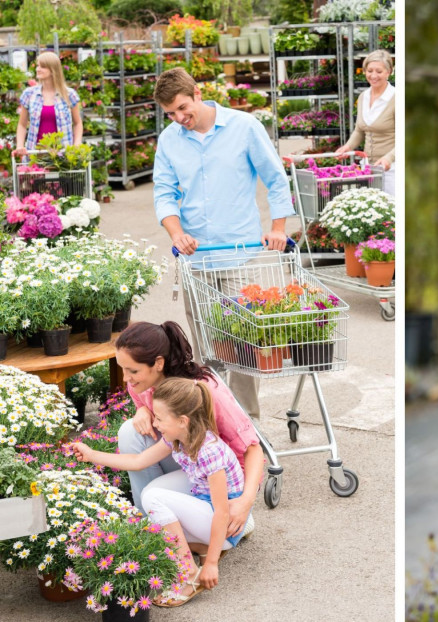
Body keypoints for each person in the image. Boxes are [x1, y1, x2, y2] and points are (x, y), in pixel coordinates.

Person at [152, 67, 295, 420]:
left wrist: (277, 227)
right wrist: (176, 233)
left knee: (243, 342)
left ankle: (249, 424)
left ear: (197, 93)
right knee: (203, 347)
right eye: (170, 113)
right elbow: (164, 193)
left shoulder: (243, 127)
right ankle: (213, 421)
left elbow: (276, 180)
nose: (180, 118)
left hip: (239, 254)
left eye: (183, 108)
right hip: (196, 260)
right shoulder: (170, 139)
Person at [72, 377, 245, 607]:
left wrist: (211, 563)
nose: (156, 422)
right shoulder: (178, 437)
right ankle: (200, 547)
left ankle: (189, 572)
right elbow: (139, 460)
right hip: (205, 506)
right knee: (152, 497)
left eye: (160, 418)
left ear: (183, 421)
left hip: (227, 526)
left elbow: (223, 512)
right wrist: (92, 455)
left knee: (153, 499)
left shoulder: (209, 451)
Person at [115, 321, 264, 541]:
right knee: (130, 432)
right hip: (192, 464)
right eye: (122, 369)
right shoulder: (139, 384)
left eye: (133, 370)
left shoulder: (204, 391)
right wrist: (142, 411)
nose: (126, 378)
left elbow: (253, 449)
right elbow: (147, 411)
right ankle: (154, 526)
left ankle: (219, 522)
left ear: (158, 363)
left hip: (224, 479)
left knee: (153, 493)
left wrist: (244, 502)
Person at [335, 49, 395, 195]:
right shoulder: (364, 96)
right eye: (369, 70)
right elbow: (360, 130)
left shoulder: (396, 98)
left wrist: (389, 158)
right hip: (368, 167)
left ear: (389, 72)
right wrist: (348, 147)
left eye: (379, 71)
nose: (373, 75)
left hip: (393, 169)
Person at [14, 51, 83, 157]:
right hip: (35, 154)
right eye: (37, 66)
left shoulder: (69, 95)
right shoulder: (29, 94)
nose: (38, 69)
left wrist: (77, 144)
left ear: (53, 70)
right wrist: (20, 146)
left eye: (42, 67)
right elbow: (22, 124)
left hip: (63, 157)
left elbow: (77, 123)